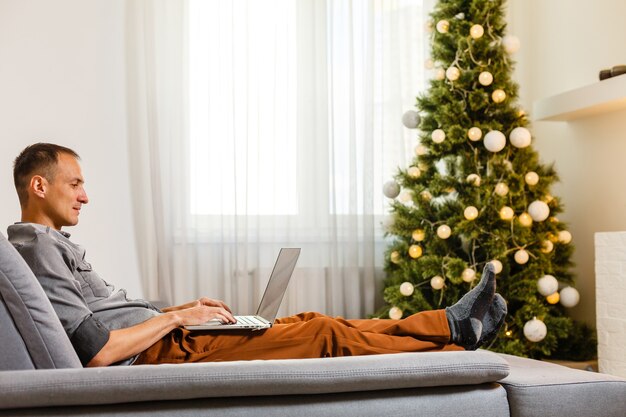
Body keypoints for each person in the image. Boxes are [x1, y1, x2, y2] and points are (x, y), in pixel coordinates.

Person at [7, 143, 507, 367]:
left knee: (311, 318)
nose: (84, 195)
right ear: (39, 184)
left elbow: (108, 320)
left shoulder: (53, 245)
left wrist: (180, 311)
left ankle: (451, 326)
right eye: (74, 183)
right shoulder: (35, 248)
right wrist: (178, 318)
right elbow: (99, 352)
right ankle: (452, 339)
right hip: (162, 354)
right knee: (323, 335)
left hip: (175, 337)